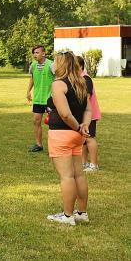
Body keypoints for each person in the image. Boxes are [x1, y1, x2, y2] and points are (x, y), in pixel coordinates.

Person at [46, 51, 92, 225]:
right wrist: (84, 126)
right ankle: (81, 212)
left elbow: (65, 114)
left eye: (56, 62)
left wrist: (78, 127)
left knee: (67, 176)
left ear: (62, 65)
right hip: (77, 136)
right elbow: (88, 110)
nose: (53, 65)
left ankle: (67, 216)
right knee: (79, 175)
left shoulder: (58, 84)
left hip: (62, 134)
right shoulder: (81, 82)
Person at [26, 45, 55, 152]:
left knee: (53, 123)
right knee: (36, 121)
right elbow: (32, 78)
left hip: (50, 99)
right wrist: (28, 91)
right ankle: (39, 145)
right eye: (34, 53)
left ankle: (54, 147)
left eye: (37, 52)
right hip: (38, 99)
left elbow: (58, 78)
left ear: (44, 53)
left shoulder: (51, 65)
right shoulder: (33, 65)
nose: (35, 55)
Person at [77, 56, 101, 172]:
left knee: (90, 138)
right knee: (82, 139)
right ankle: (84, 163)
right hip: (82, 115)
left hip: (90, 115)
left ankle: (94, 164)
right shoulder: (78, 78)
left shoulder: (86, 79)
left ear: (80, 66)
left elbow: (85, 98)